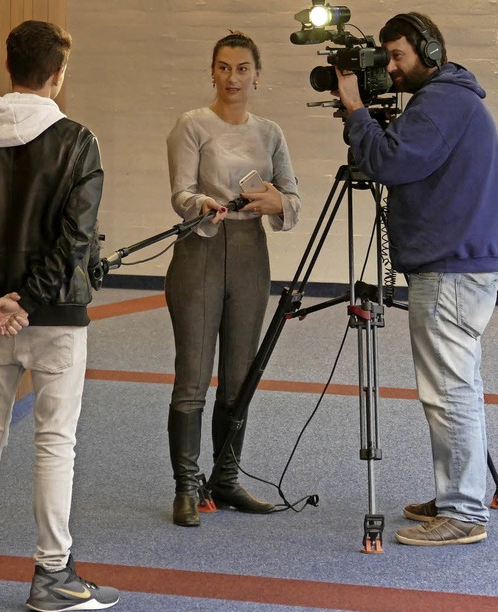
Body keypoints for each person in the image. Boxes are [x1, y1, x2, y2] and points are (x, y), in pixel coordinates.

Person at [0, 20, 119, 609]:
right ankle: (52, 575)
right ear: (58, 74)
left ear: (8, 64)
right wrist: (29, 301)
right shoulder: (78, 140)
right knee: (54, 443)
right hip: (56, 317)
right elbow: (75, 239)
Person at [334, 13, 498, 546]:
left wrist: (356, 108)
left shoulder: (440, 104)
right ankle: (463, 491)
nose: (390, 67)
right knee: (460, 387)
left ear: (429, 50)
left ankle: (462, 512)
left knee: (448, 391)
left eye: (398, 56)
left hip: (449, 270)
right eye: (385, 56)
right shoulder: (449, 100)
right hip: (458, 265)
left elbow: (390, 160)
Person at [165, 31, 301, 527]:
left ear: (257, 75)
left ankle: (224, 481)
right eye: (224, 67)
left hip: (250, 254)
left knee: (239, 379)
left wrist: (276, 203)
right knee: (194, 377)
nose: (232, 78)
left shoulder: (270, 133)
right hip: (200, 250)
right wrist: (200, 203)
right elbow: (181, 192)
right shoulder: (191, 125)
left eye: (242, 68)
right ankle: (186, 486)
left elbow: (293, 199)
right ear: (212, 71)